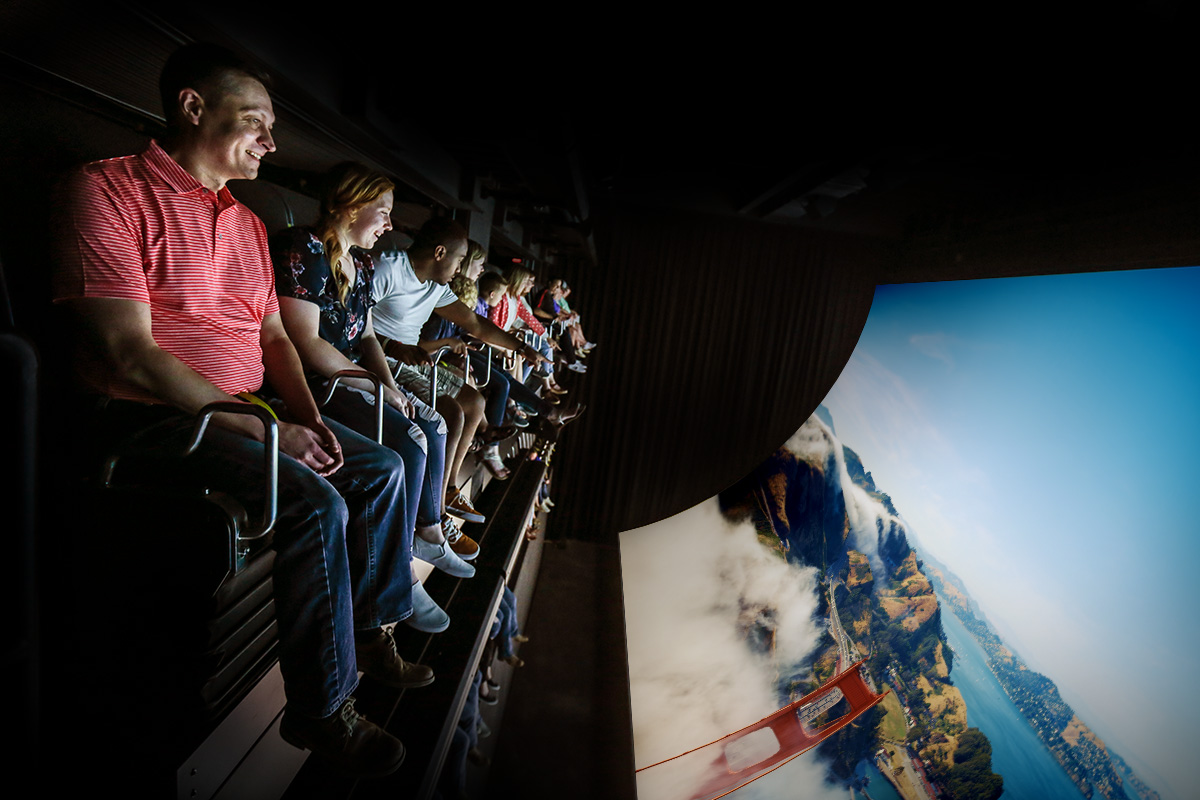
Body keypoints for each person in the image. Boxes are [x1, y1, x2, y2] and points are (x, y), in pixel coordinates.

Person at [53, 43, 423, 776]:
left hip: (242, 407)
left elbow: (275, 334)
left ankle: (375, 625)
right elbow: (128, 355)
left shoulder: (248, 223)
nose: (272, 142)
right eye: (256, 122)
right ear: (193, 107)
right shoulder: (106, 190)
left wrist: (303, 418)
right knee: (315, 503)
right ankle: (322, 712)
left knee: (378, 466)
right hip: (146, 417)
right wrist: (264, 429)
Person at [269, 162, 477, 599]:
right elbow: (305, 343)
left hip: (353, 375)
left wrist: (391, 386)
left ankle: (430, 533)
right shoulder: (302, 248)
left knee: (431, 424)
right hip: (317, 382)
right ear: (350, 205)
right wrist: (372, 385)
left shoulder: (361, 263)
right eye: (382, 211)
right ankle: (399, 562)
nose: (389, 223)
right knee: (408, 443)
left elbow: (364, 335)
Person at [370, 219, 552, 482]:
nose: (459, 269)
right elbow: (354, 324)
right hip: (383, 358)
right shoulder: (388, 267)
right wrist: (392, 345)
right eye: (460, 259)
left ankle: (450, 486)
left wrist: (521, 347)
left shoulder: (436, 287)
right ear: (439, 253)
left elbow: (475, 323)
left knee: (475, 401)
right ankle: (436, 508)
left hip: (413, 363)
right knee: (453, 414)